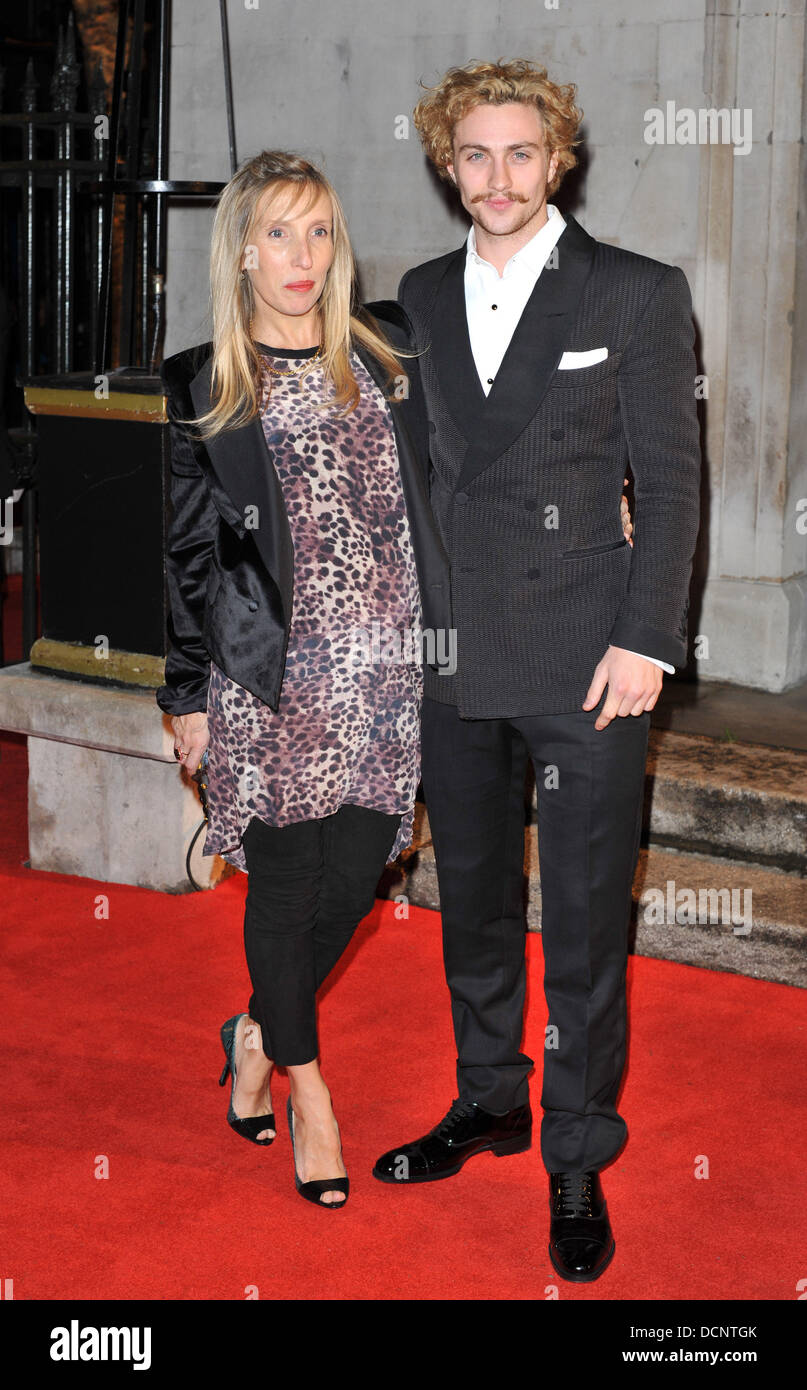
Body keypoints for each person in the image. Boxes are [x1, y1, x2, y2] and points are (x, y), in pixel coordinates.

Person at [372, 60, 701, 1283]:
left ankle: (576, 1149)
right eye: (474, 156)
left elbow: (670, 483)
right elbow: (407, 484)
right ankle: (491, 1099)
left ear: (558, 160)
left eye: (521, 154)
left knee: (581, 924)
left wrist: (648, 638)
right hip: (456, 659)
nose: (498, 179)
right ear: (446, 165)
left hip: (587, 662)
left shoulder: (636, 292)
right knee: (471, 908)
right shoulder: (413, 294)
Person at [155, 149, 454, 1208]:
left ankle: (254, 1029)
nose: (302, 256)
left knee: (357, 875)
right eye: (280, 232)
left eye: (319, 231)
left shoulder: (387, 353)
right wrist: (185, 695)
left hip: (384, 679)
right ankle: (308, 1085)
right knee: (286, 887)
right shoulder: (205, 381)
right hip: (270, 682)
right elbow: (190, 554)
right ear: (242, 248)